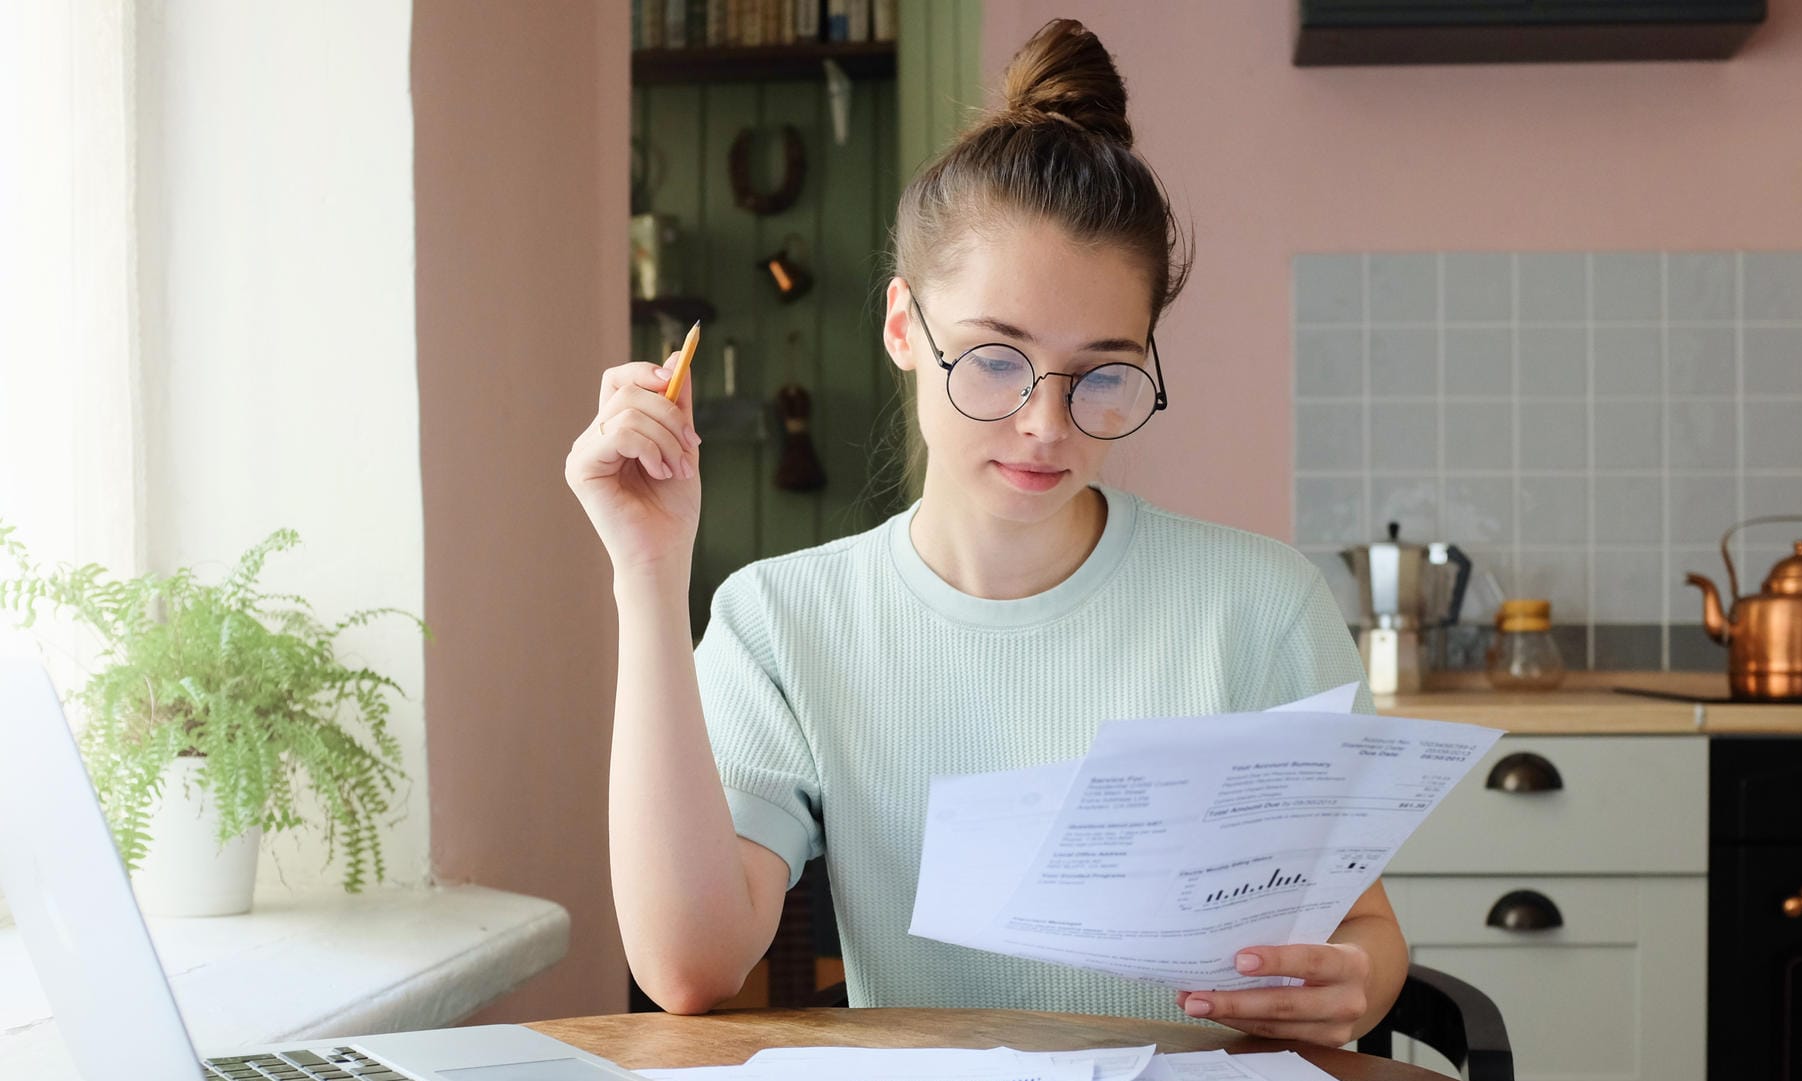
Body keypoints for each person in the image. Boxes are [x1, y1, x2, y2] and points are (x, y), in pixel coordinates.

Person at [565, 18, 1407, 1048]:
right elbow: (688, 966)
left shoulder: (1261, 606)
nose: (1047, 424)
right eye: (998, 360)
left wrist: (1355, 983)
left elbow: (1365, 927)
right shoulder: (786, 619)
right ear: (903, 329)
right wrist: (647, 574)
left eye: (1103, 372)